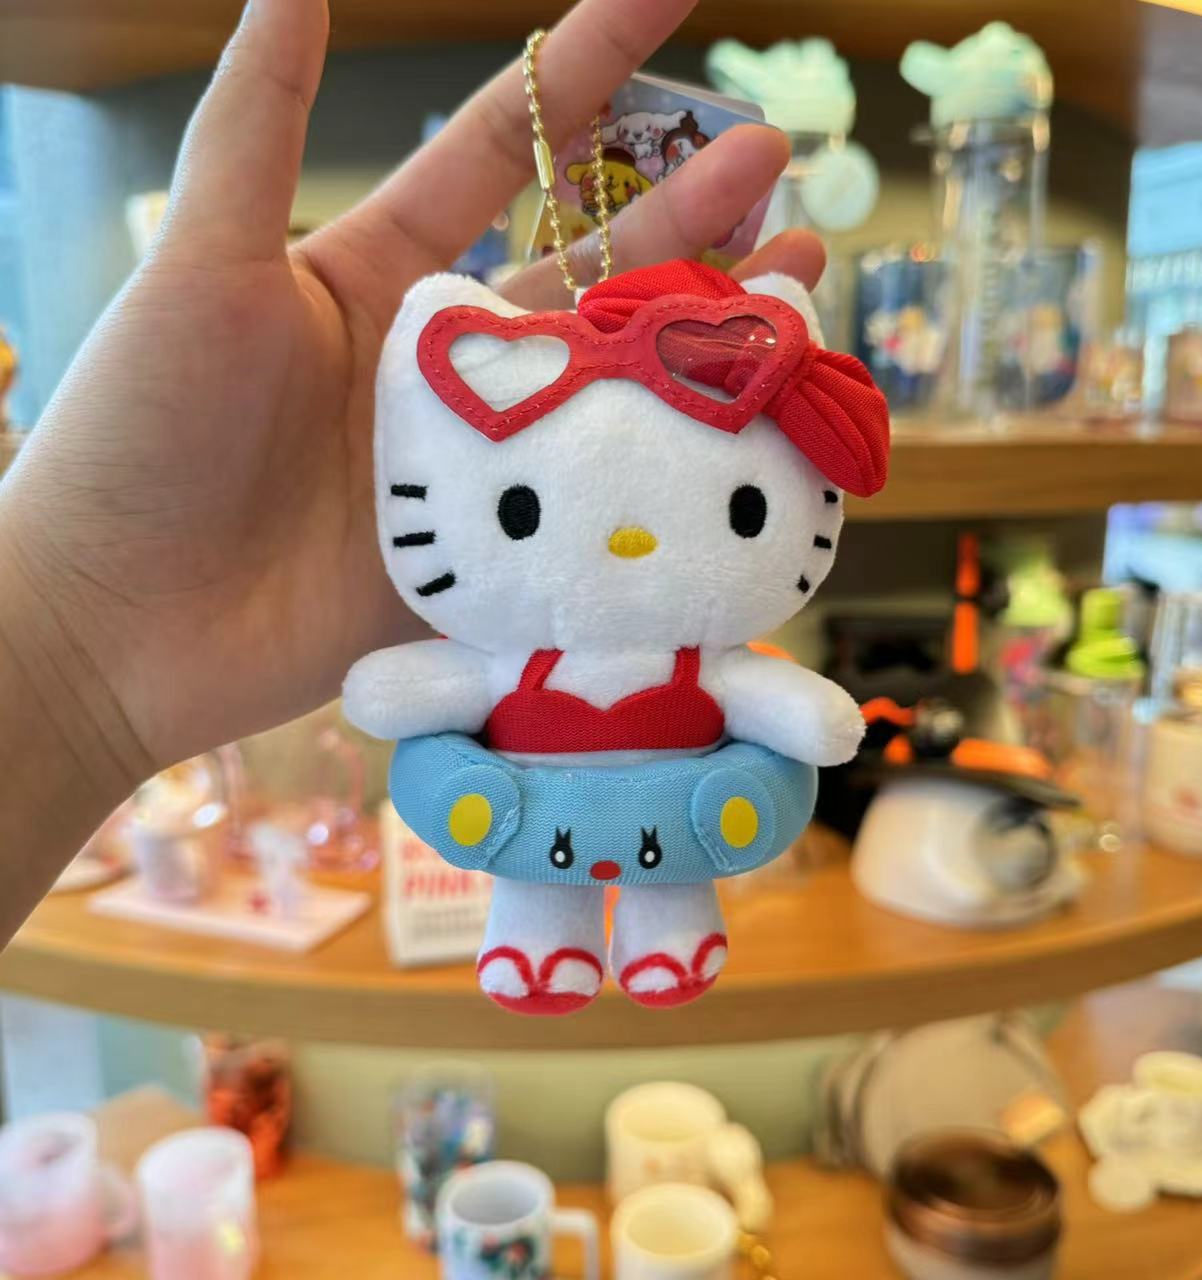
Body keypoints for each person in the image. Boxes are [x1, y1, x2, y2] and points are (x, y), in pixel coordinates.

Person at [0, 0, 825, 946]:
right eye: (517, 511)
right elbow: (414, 692)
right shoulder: (507, 641)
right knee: (532, 879)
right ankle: (536, 941)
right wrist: (63, 643)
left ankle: (670, 938)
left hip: (672, 813)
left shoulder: (689, 652)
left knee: (667, 872)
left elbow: (783, 707)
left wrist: (65, 659)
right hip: (542, 818)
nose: (630, 539)